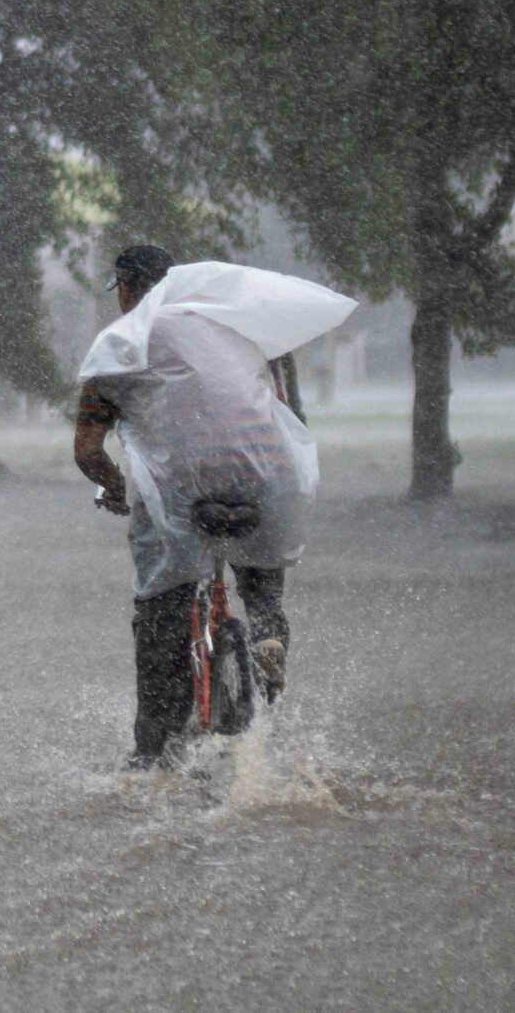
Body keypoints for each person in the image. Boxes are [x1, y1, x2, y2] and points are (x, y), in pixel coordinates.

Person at [72, 245, 355, 765]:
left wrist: (116, 487)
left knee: (163, 609)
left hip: (180, 494)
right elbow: (283, 412)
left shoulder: (121, 346)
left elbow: (88, 451)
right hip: (266, 482)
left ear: (128, 288)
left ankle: (154, 752)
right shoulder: (239, 327)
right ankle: (267, 637)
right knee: (263, 586)